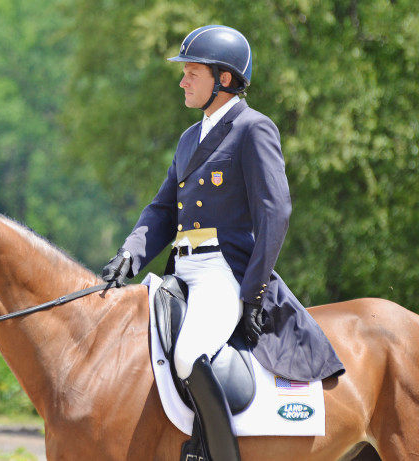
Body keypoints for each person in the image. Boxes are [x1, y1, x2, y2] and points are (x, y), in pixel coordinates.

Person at [102, 25, 344, 461]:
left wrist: (253, 291)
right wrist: (129, 254)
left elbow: (275, 213)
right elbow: (161, 211)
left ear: (224, 79)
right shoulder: (188, 139)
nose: (182, 81)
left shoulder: (254, 129)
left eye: (192, 72)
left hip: (223, 273)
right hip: (181, 270)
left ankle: (214, 455)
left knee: (190, 353)